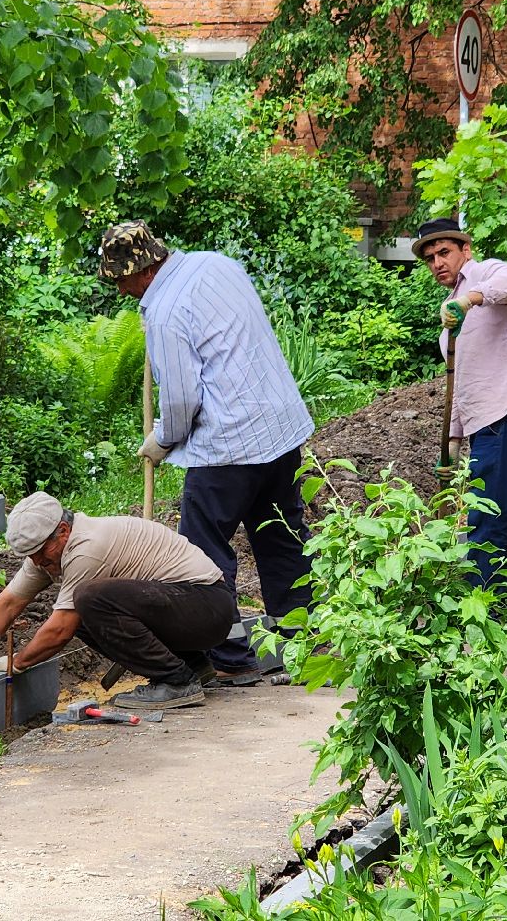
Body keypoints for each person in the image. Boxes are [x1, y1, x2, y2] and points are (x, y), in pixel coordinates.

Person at [96, 221, 314, 680]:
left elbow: (180, 399)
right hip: (278, 428)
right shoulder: (215, 265)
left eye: (119, 281)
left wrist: (162, 439)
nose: (120, 291)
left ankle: (228, 660)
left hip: (228, 443)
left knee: (202, 555)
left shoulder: (165, 311)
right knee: (281, 539)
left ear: (139, 271)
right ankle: (304, 650)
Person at [0, 491, 236, 710]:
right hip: (188, 609)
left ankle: (176, 681)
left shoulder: (87, 547)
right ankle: (192, 667)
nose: (39, 562)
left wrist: (17, 663)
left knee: (86, 600)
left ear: (63, 531)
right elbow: (8, 603)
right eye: (31, 556)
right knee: (82, 609)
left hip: (206, 606)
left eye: (41, 553)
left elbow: (59, 631)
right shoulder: (48, 551)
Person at [413, 217, 507, 598]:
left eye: (444, 252)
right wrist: (451, 446)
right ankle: (499, 605)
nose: (437, 262)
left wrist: (470, 299)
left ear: (464, 251)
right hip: (482, 424)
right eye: (430, 257)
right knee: (492, 517)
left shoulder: (486, 275)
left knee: (485, 519)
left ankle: (482, 608)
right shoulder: (449, 319)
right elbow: (460, 384)